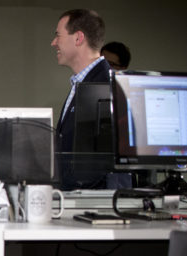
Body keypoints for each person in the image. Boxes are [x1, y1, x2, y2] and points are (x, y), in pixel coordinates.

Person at [51, 9, 111, 189]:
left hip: (90, 203)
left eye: (58, 36)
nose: (53, 43)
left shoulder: (105, 85)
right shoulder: (82, 82)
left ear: (78, 38)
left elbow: (99, 162)